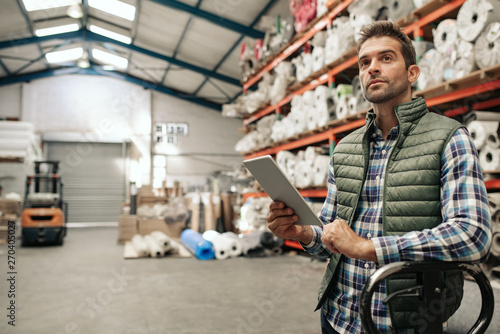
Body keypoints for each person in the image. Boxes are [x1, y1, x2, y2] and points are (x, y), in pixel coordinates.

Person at [267, 21, 491, 333]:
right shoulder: (345, 150)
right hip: (337, 317)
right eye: (365, 62)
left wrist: (370, 248)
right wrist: (303, 233)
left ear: (412, 73)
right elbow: (331, 236)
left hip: (404, 322)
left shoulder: (449, 138)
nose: (373, 68)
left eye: (386, 58)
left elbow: (472, 234)